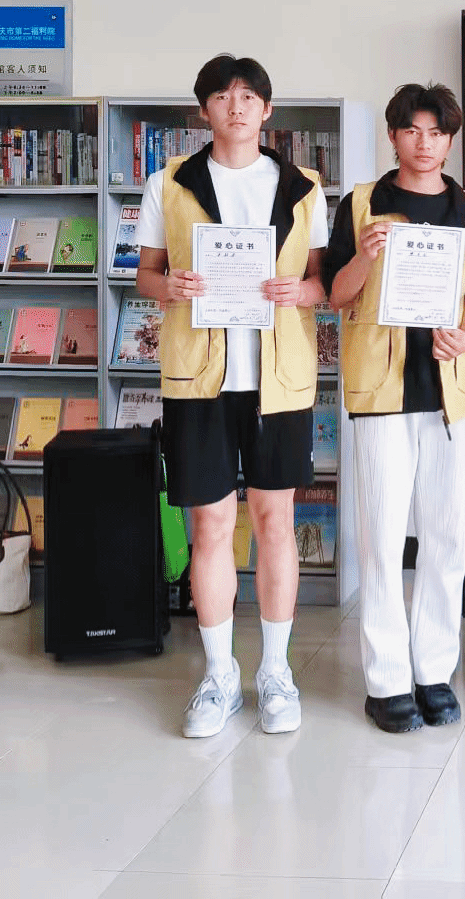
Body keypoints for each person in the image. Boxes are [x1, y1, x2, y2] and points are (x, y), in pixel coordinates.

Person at [136, 54, 329, 738]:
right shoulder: (170, 183)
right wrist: (171, 287)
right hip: (200, 379)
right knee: (211, 527)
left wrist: (299, 292)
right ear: (204, 111)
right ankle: (219, 676)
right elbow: (146, 276)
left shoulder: (303, 186)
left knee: (276, 522)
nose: (236, 106)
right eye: (222, 96)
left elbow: (322, 282)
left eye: (249, 96)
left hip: (279, 380)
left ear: (267, 110)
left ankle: (276, 672)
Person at [324, 82, 465, 735]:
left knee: (447, 536)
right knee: (383, 538)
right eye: (412, 131)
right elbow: (336, 294)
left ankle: (434, 672)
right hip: (384, 392)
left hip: (452, 390)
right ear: (394, 137)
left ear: (450, 141)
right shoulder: (362, 204)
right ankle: (388, 680)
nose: (424, 144)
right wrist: (365, 259)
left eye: (436, 133)